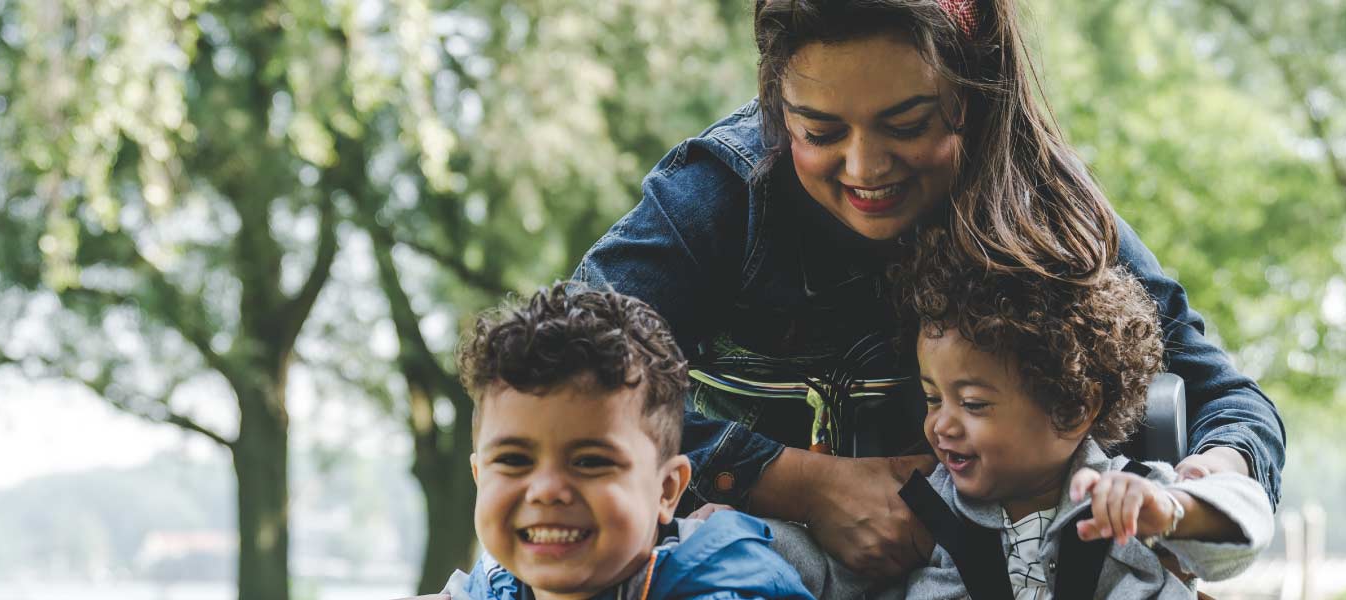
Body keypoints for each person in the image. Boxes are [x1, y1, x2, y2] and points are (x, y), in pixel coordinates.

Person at [573, 0, 1285, 578]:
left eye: (906, 124)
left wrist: (1196, 494)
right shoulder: (719, 195)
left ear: (972, 93)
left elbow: (1229, 401)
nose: (864, 166)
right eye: (818, 129)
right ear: (773, 102)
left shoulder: (1049, 208)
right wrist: (802, 486)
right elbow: (571, 367)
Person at [772, 234, 1274, 599]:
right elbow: (825, 570)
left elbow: (1244, 528)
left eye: (972, 404)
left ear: (1071, 408)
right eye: (932, 398)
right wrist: (747, 536)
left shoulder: (1128, 499)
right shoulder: (922, 512)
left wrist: (1175, 512)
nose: (941, 426)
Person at [435, 283, 814, 600]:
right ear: (480, 476)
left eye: (590, 462)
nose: (546, 491)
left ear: (666, 490)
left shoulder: (725, 591)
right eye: (514, 460)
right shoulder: (488, 588)